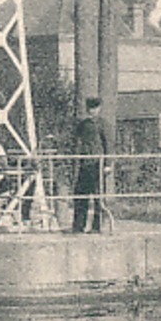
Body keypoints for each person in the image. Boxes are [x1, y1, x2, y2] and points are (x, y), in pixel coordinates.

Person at [71, 98, 108, 234]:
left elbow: (108, 144)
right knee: (81, 194)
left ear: (99, 109)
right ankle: (78, 225)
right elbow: (78, 142)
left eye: (95, 108)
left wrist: (108, 164)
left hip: (97, 163)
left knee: (98, 196)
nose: (92, 111)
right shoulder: (83, 125)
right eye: (90, 108)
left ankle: (96, 226)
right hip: (85, 163)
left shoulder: (102, 124)